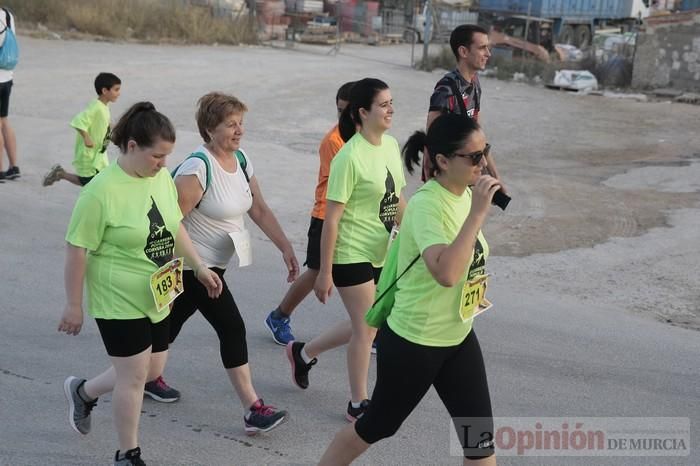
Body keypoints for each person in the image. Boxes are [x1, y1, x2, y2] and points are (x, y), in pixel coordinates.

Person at [318, 112, 499, 466]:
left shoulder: (464, 194)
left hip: (457, 335)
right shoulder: (427, 204)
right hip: (415, 341)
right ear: (444, 161)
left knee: (479, 443)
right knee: (376, 426)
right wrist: (477, 215)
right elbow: (445, 272)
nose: (484, 163)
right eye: (474, 157)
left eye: (486, 151)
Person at [58, 102, 223, 466]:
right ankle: (127, 453)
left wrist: (198, 266)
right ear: (131, 146)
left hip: (159, 291)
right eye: (157, 156)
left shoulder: (160, 178)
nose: (163, 164)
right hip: (117, 297)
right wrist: (73, 304)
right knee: (133, 378)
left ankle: (83, 392)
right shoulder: (100, 192)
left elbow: (173, 224)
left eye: (167, 156)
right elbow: (76, 249)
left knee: (152, 369)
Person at [152, 92, 297, 435]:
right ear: (209, 128)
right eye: (231, 125)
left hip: (212, 268)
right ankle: (252, 408)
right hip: (190, 268)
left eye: (241, 123)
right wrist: (190, 269)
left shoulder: (242, 160)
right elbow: (168, 224)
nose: (239, 130)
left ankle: (114, 383)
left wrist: (285, 246)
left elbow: (258, 209)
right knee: (232, 327)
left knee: (163, 332)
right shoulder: (197, 168)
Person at [286, 78, 406, 421]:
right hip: (348, 252)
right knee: (368, 328)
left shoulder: (391, 145)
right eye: (383, 105)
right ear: (362, 112)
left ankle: (304, 353)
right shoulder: (348, 156)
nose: (391, 110)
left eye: (391, 102)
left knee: (367, 322)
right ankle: (358, 402)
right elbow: (332, 219)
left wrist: (416, 233)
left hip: (381, 250)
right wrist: (324, 272)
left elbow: (395, 199)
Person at [264, 81, 355, 346]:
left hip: (356, 217)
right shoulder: (334, 141)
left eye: (347, 111)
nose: (342, 116)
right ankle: (279, 316)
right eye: (339, 111)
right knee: (317, 272)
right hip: (327, 216)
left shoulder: (368, 138)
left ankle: (370, 327)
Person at [424, 24, 504, 194]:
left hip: (465, 178)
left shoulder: (475, 84)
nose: (488, 54)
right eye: (482, 48)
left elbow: (478, 136)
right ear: (464, 52)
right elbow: (430, 141)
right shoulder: (446, 89)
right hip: (448, 181)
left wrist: (495, 177)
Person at [42, 72, 122, 187]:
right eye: (116, 90)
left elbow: (105, 122)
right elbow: (78, 121)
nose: (119, 93)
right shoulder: (95, 107)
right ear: (105, 91)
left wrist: (115, 130)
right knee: (88, 181)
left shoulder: (104, 106)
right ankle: (60, 174)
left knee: (101, 179)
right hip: (89, 154)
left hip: (99, 153)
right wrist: (86, 137)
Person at [0, 6, 19, 182]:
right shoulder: (7, 14)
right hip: (7, 77)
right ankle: (14, 166)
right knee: (4, 120)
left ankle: (0, 170)